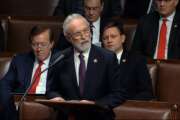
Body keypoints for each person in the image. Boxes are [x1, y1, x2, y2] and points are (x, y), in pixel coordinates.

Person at [46, 14, 127, 120]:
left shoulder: (107, 58)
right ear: (68, 37)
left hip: (98, 116)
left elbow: (118, 93)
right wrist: (56, 98)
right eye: (78, 34)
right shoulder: (59, 58)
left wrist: (95, 104)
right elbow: (51, 89)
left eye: (86, 31)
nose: (84, 36)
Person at [0, 26, 60, 120]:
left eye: (43, 44)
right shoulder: (20, 61)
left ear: (52, 44)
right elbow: (4, 84)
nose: (38, 49)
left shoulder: (61, 61)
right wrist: (9, 106)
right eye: (35, 44)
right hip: (21, 110)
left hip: (50, 108)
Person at [102, 20, 154, 100]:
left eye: (113, 36)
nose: (109, 40)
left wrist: (125, 103)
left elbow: (147, 93)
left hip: (128, 108)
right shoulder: (97, 61)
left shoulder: (136, 60)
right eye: (105, 38)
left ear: (122, 38)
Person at [55, 0, 122, 50]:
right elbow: (61, 49)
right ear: (83, 7)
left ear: (101, 7)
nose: (91, 13)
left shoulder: (110, 27)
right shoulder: (73, 25)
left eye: (95, 8)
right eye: (88, 8)